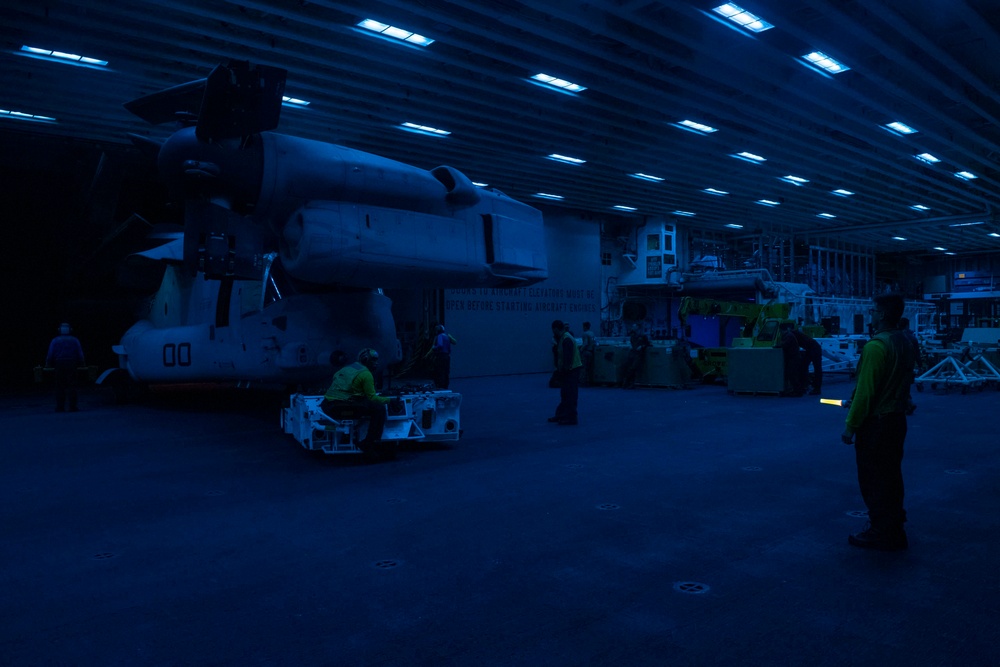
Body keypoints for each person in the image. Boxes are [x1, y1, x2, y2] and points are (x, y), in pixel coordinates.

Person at [841, 294, 915, 551]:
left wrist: (850, 427)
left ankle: (881, 531)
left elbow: (865, 392)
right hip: (896, 421)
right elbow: (905, 379)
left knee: (874, 479)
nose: (871, 314)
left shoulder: (876, 347)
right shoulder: (905, 341)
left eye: (873, 311)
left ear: (882, 315)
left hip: (877, 425)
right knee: (892, 476)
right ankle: (894, 527)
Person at [320, 348, 397, 457]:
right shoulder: (366, 374)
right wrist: (390, 400)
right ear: (366, 360)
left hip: (327, 405)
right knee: (379, 409)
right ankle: (370, 443)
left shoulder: (347, 368)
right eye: (374, 360)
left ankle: (349, 437)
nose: (376, 363)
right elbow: (372, 397)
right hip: (344, 406)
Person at [548, 320, 582, 425]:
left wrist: (563, 372)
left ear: (557, 329)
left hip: (571, 370)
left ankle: (571, 418)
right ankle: (561, 415)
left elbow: (568, 358)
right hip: (569, 370)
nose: (553, 333)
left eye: (554, 331)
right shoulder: (563, 338)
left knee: (570, 394)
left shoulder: (566, 339)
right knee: (565, 394)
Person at [46, 322, 85, 412]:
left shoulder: (55, 340)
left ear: (59, 330)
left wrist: (48, 364)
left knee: (59, 386)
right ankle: (73, 407)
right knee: (72, 385)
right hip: (72, 363)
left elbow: (50, 353)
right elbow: (80, 353)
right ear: (70, 330)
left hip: (59, 363)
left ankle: (60, 407)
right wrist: (82, 363)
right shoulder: (74, 340)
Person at [791, 325, 823, 395]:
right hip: (812, 348)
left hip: (812, 349)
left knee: (814, 368)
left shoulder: (792, 335)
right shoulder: (796, 334)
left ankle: (815, 388)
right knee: (809, 367)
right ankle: (812, 386)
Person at [777, 321, 804, 396]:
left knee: (792, 374)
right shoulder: (789, 335)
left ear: (782, 330)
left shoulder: (788, 336)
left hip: (794, 358)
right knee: (793, 374)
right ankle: (796, 390)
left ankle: (797, 391)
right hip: (794, 357)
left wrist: (777, 346)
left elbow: (784, 344)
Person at [430, 324, 452, 389]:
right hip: (447, 356)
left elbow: (440, 345)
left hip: (441, 356)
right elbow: (449, 348)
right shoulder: (447, 336)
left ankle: (440, 385)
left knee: (440, 370)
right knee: (446, 371)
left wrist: (434, 347)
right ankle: (446, 385)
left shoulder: (439, 336)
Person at [580, 321, 597, 386]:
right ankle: (590, 381)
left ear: (585, 327)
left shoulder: (585, 334)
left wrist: (580, 350)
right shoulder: (592, 333)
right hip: (591, 352)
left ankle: (583, 382)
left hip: (586, 352)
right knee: (590, 367)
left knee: (584, 367)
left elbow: (585, 343)